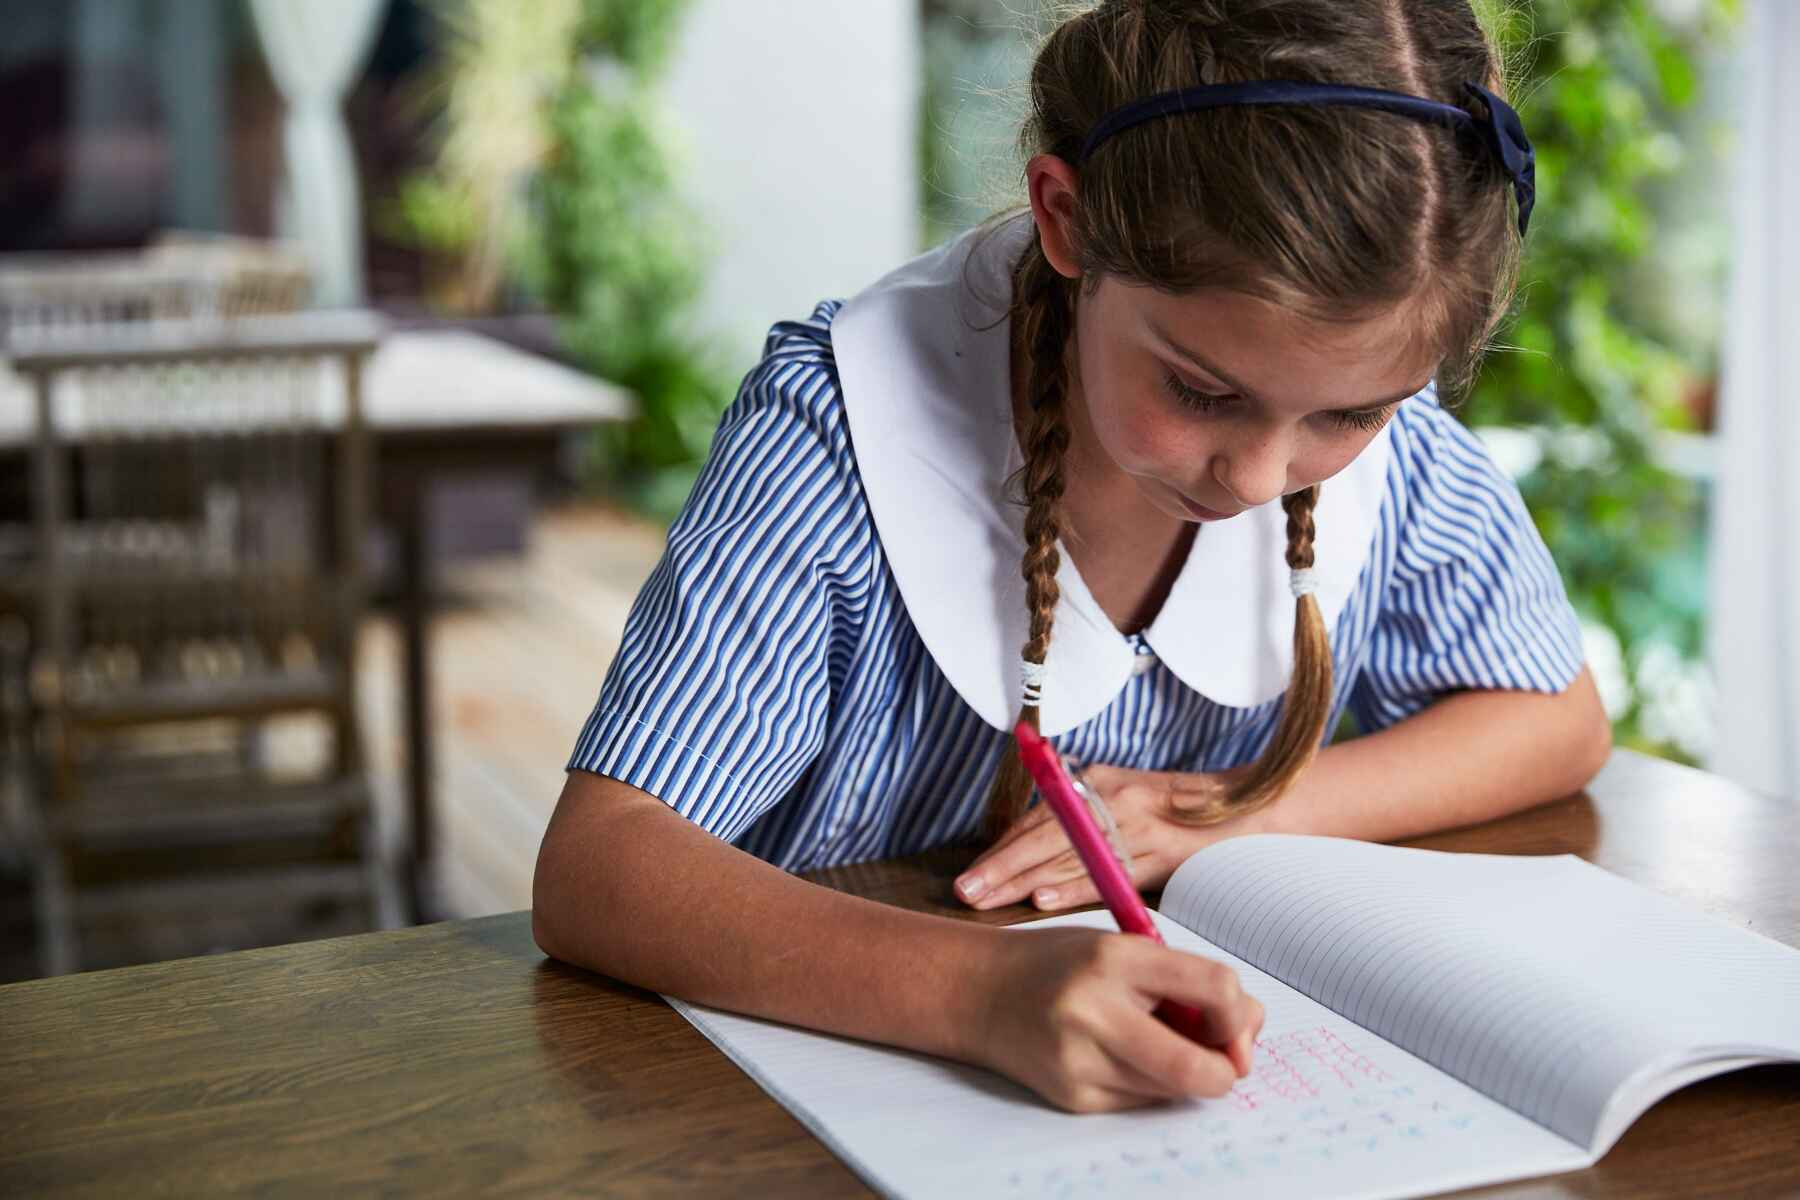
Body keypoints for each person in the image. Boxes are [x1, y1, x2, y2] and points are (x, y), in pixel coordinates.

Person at [532, 0, 1612, 1115]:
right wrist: (978, 993)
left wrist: (1232, 813)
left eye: (1347, 417)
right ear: (1067, 217)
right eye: (1200, 390)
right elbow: (599, 868)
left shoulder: (1386, 434)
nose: (1255, 477)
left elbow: (1556, 715)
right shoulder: (837, 435)